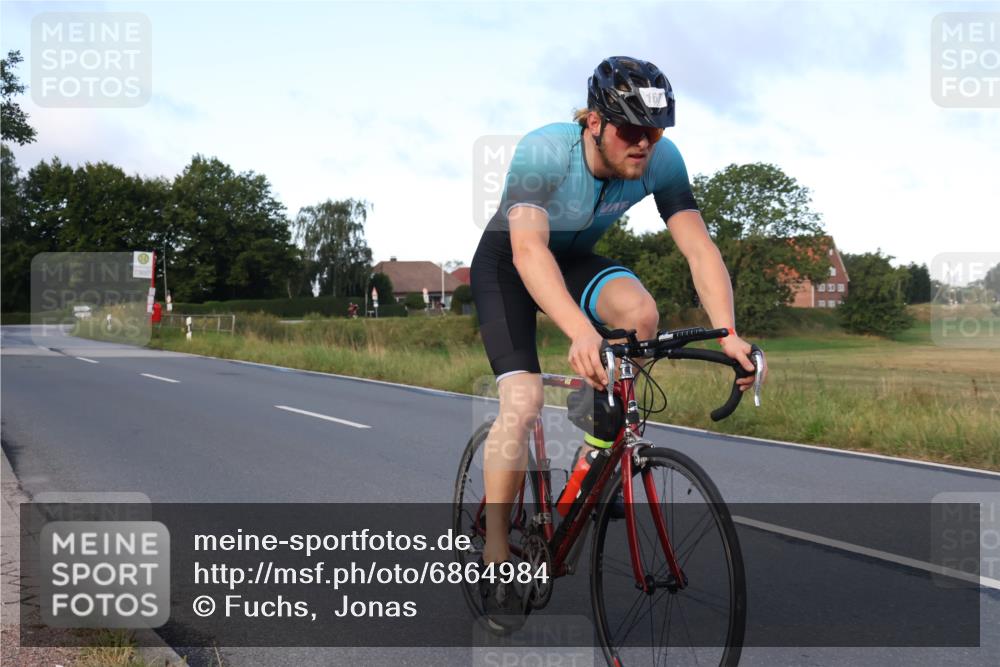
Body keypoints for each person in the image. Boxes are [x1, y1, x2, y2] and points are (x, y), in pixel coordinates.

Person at [469, 56, 767, 630]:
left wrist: (729, 334)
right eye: (631, 131)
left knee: (640, 314)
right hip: (510, 262)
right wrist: (579, 332)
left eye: (655, 132)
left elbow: (699, 249)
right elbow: (530, 252)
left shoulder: (661, 159)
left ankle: (594, 456)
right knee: (524, 400)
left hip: (575, 262)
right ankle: (497, 554)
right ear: (594, 122)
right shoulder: (544, 151)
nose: (645, 145)